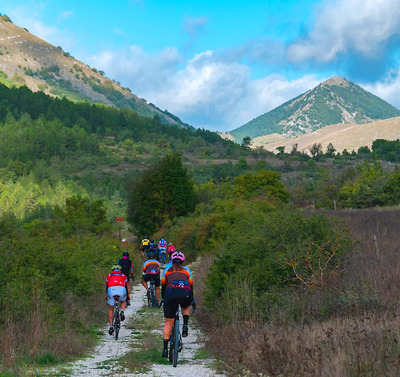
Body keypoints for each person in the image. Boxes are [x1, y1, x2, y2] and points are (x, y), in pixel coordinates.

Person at [161, 251, 195, 358]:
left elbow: (163, 286)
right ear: (182, 261)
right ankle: (185, 324)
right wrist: (192, 300)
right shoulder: (187, 270)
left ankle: (165, 349)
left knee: (168, 323)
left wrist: (163, 298)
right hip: (185, 294)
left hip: (170, 295)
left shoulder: (166, 270)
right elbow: (191, 286)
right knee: (185, 305)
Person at [106, 265, 128, 335]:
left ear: (112, 270)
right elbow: (126, 286)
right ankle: (122, 311)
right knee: (123, 301)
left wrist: (107, 294)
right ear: (120, 270)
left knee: (111, 309)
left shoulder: (108, 276)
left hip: (111, 290)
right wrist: (127, 296)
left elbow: (107, 286)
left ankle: (111, 326)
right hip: (121, 289)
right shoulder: (124, 276)